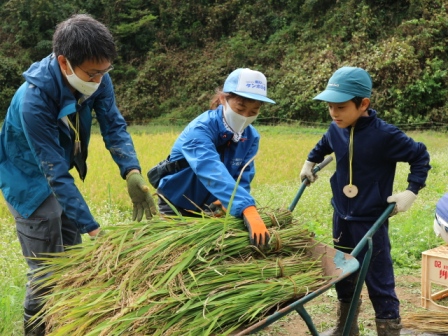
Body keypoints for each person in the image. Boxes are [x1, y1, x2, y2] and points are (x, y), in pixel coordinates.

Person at [0, 14, 157, 335]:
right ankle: (35, 332)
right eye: (93, 73)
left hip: (58, 171)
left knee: (72, 262)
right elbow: (53, 172)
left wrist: (131, 170)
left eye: (105, 71)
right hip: (27, 179)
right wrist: (95, 230)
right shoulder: (33, 100)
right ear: (64, 62)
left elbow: (113, 124)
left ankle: (67, 326)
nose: (99, 80)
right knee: (46, 273)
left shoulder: (95, 76)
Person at [300, 66, 431, 336]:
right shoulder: (336, 127)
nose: (334, 113)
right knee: (343, 273)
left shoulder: (385, 135)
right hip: (342, 216)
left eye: (341, 107)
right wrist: (310, 161)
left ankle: (388, 330)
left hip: (371, 219)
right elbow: (326, 142)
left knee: (378, 279)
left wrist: (412, 191)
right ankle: (346, 328)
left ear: (363, 104)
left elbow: (420, 155)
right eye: (330, 107)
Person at [151, 68, 275, 249]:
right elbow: (210, 170)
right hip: (176, 202)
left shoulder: (251, 137)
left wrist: (227, 203)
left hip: (210, 207)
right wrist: (246, 207)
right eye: (240, 108)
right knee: (174, 253)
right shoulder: (200, 129)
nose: (245, 116)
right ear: (224, 99)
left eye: (253, 111)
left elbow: (243, 176)